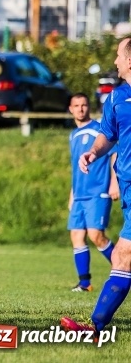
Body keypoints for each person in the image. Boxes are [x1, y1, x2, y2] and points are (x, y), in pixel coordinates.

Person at [62, 37, 131, 334]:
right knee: (121, 257)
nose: (114, 61)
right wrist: (93, 151)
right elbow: (108, 135)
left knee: (122, 256)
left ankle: (95, 326)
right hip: (128, 186)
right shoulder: (115, 97)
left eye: (118, 55)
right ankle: (96, 325)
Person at [67, 93, 119, 292]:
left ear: (89, 107)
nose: (81, 109)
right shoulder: (72, 134)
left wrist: (114, 183)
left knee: (96, 235)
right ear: (70, 109)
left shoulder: (99, 129)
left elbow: (114, 152)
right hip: (79, 195)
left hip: (97, 192)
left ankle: (123, 268)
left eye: (84, 105)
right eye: (76, 105)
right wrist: (72, 193)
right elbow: (75, 166)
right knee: (77, 237)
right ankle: (85, 283)